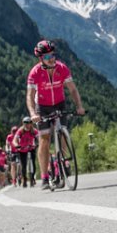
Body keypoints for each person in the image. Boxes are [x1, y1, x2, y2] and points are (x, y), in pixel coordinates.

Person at [26, 39, 86, 190]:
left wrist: (79, 106)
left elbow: (72, 89)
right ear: (41, 59)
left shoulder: (62, 68)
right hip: (42, 107)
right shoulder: (35, 72)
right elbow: (29, 95)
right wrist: (33, 113)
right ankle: (45, 176)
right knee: (44, 139)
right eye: (46, 57)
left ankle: (64, 161)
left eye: (52, 55)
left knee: (62, 132)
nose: (51, 58)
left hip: (59, 103)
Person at [13, 116, 39, 187]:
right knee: (23, 165)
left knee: (33, 163)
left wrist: (38, 144)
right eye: (25, 123)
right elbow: (14, 140)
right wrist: (16, 145)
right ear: (23, 123)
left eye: (29, 122)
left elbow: (39, 138)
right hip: (22, 149)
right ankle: (24, 179)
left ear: (31, 123)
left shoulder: (34, 131)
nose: (27, 124)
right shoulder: (20, 131)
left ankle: (32, 178)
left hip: (31, 147)